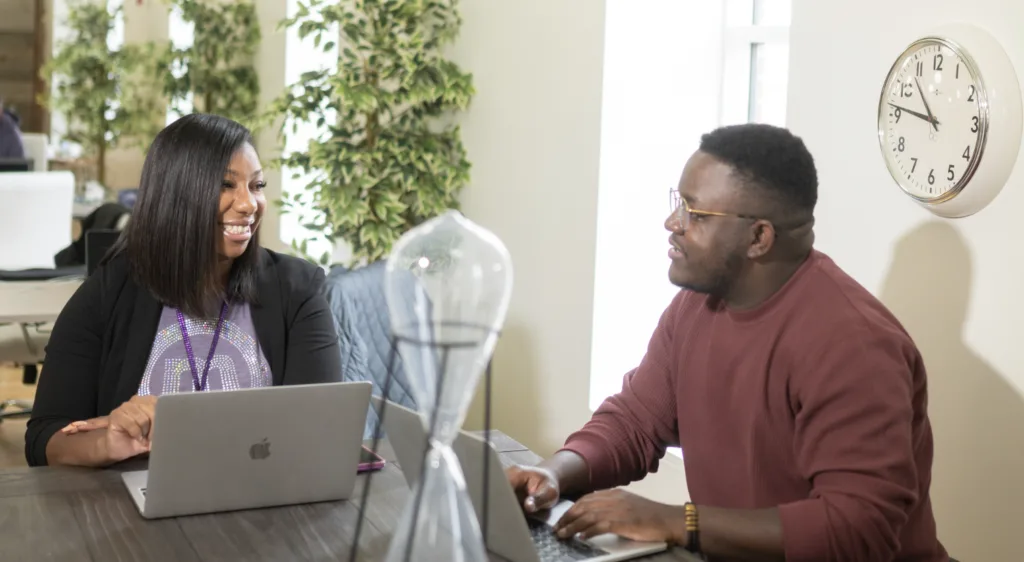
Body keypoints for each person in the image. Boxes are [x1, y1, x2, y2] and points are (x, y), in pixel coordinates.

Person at [507, 124, 950, 562]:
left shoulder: (854, 344)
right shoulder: (694, 307)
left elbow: (857, 530)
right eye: (679, 203)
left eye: (695, 214)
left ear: (759, 237)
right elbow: (635, 422)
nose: (672, 223)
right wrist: (551, 473)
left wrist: (678, 522)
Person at [26, 113, 346, 468]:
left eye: (256, 186)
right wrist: (108, 442)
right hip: (131, 511)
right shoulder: (110, 290)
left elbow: (319, 430)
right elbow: (44, 440)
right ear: (175, 195)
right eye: (226, 185)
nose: (248, 204)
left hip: (261, 508)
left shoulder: (298, 290)